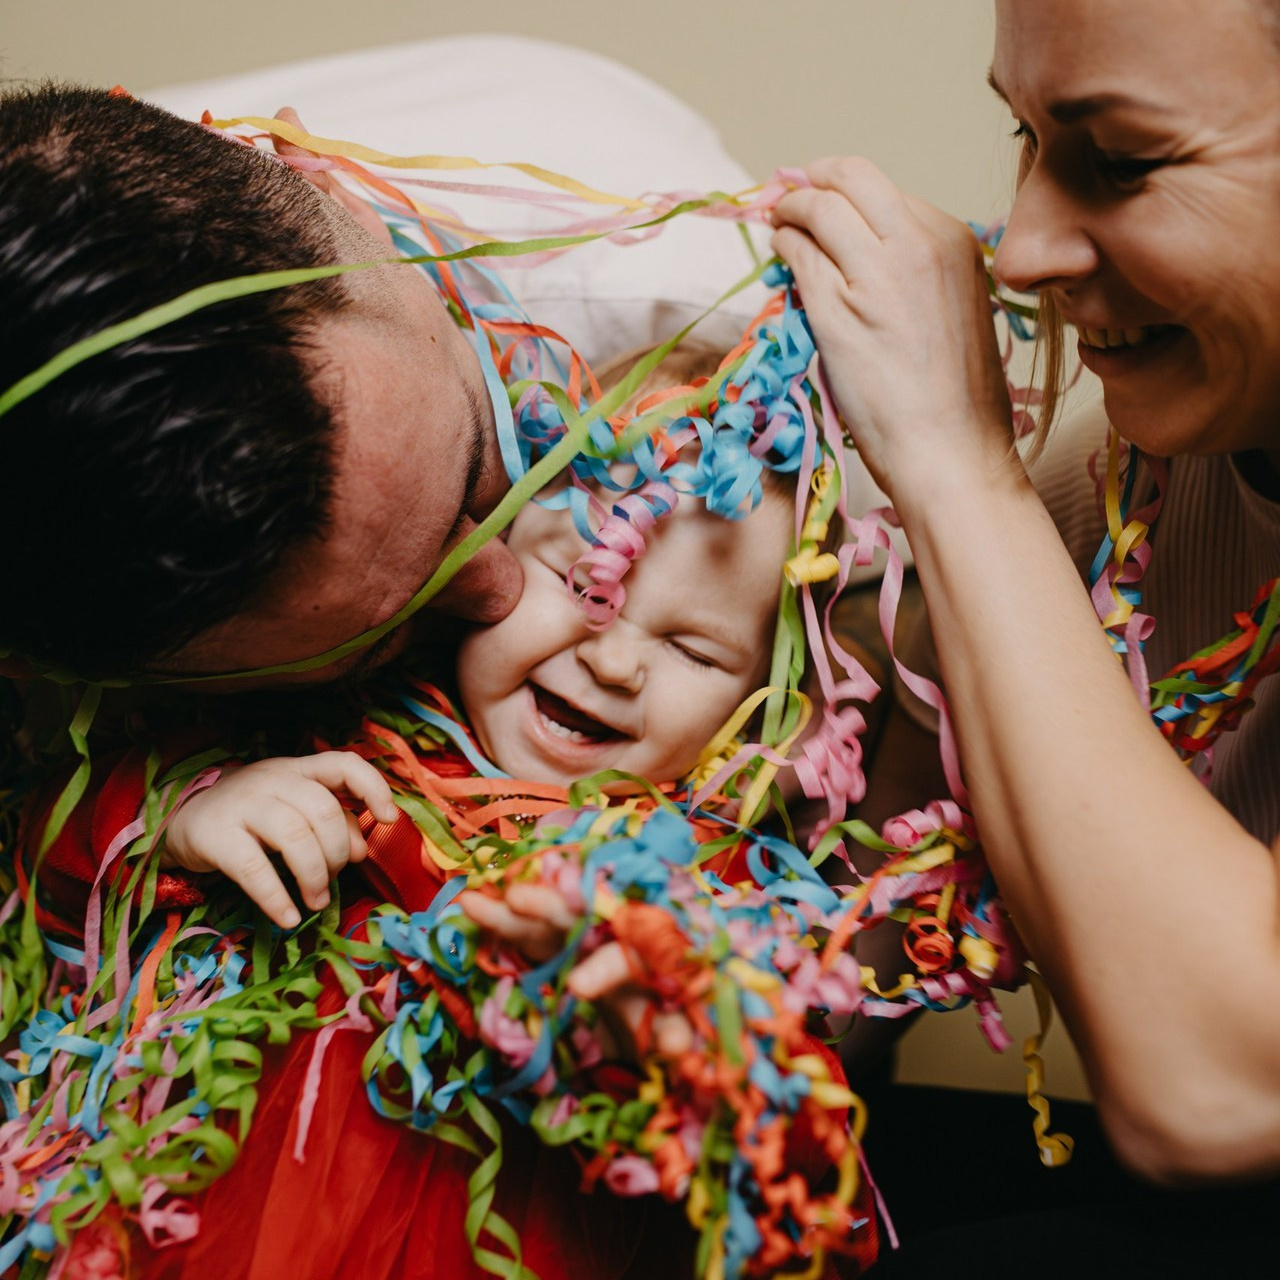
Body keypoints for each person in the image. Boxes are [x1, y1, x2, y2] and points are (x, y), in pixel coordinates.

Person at [771, 0, 1280, 1273]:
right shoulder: (1115, 486)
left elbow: (1221, 1090)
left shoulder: (1018, 492)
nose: (1025, 247)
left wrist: (955, 467)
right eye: (1024, 133)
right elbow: (831, 982)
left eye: (1118, 160)